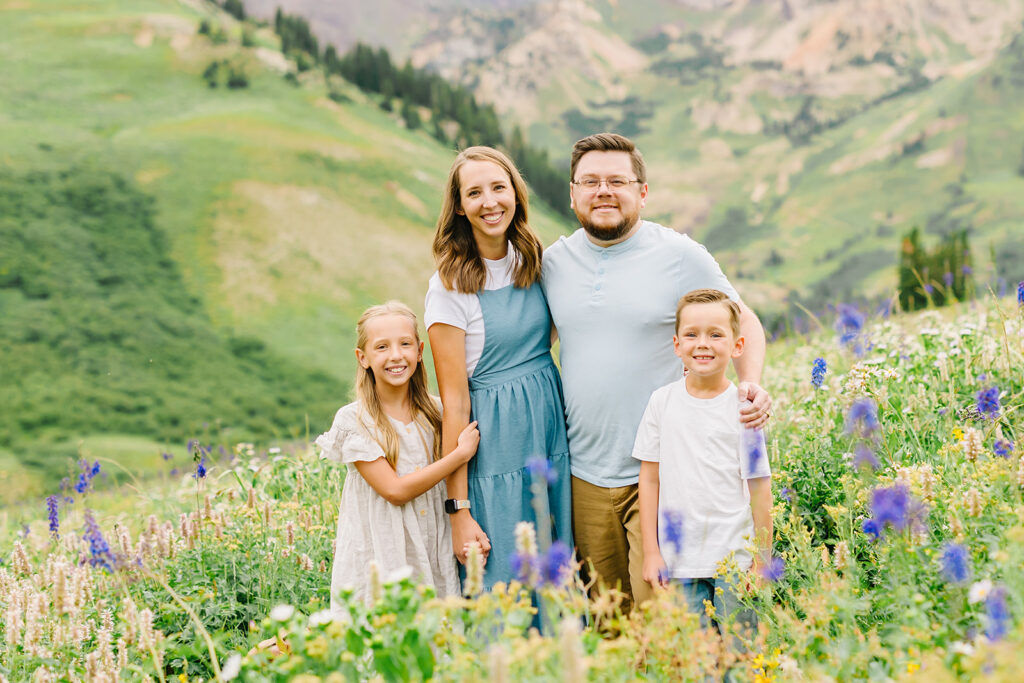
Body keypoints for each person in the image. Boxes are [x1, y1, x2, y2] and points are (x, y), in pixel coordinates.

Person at [541, 133, 772, 611]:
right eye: (590, 181)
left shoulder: (679, 254)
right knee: (607, 622)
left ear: (642, 191)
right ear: (572, 193)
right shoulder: (554, 263)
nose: (603, 191)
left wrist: (749, 388)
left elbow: (743, 320)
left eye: (617, 181)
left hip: (663, 471)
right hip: (582, 471)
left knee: (663, 620)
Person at [425, 146, 572, 588]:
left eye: (498, 187)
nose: (489, 202)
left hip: (550, 438)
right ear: (460, 208)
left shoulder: (535, 259)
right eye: (474, 193)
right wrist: (459, 511)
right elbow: (454, 403)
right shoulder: (448, 288)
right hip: (496, 450)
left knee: (560, 574)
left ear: (516, 193)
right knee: (510, 581)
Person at [315, 301, 480, 610]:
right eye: (381, 347)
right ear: (362, 358)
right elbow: (394, 490)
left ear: (419, 351)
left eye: (405, 344)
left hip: (431, 549)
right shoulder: (355, 421)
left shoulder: (438, 413)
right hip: (381, 555)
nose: (395, 355)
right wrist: (459, 455)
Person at [634, 288, 772, 640]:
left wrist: (762, 560)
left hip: (736, 561)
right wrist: (651, 552)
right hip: (680, 562)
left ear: (737, 345)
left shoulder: (745, 407)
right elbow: (649, 481)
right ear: (677, 344)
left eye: (716, 334)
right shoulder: (661, 403)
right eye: (692, 334)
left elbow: (760, 487)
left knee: (741, 659)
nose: (703, 344)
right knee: (694, 662)